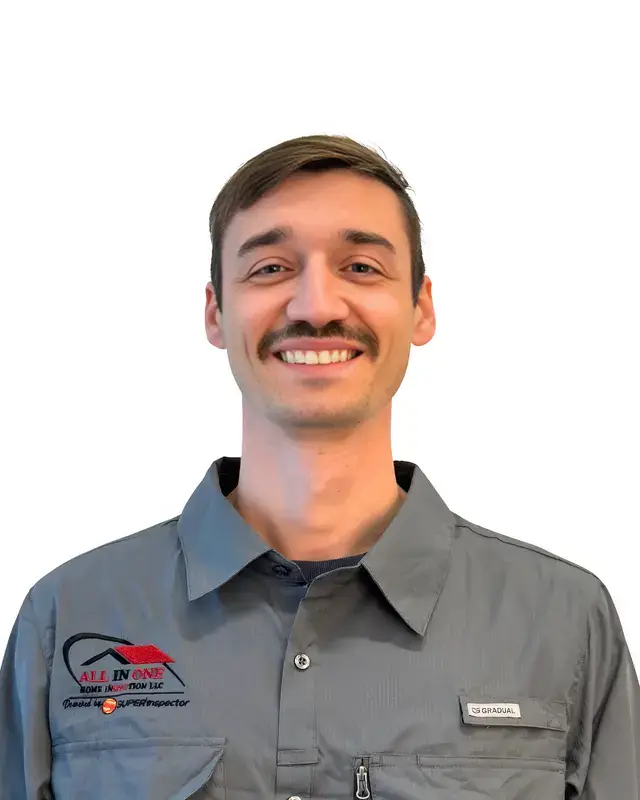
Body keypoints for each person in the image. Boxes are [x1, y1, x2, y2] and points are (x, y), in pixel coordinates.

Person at [1, 134, 638, 799]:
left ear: (421, 307)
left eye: (361, 267)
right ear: (216, 312)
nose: (316, 306)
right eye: (271, 268)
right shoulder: (70, 617)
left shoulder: (561, 622)